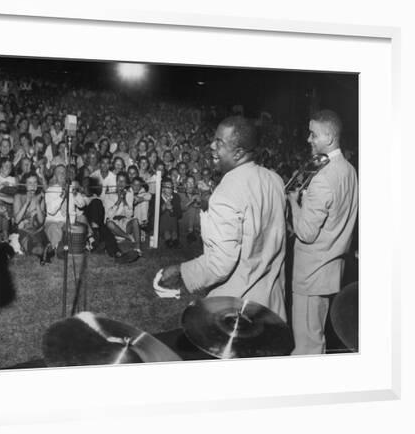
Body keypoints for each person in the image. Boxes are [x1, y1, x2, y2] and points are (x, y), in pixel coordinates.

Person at [158, 116, 288, 321]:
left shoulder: (226, 191)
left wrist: (181, 272)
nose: (211, 146)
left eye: (219, 142)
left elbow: (220, 264)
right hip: (271, 305)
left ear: (238, 153)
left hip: (236, 310)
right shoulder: (275, 180)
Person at [287, 110, 358, 355]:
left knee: (308, 347)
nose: (308, 139)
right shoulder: (349, 170)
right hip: (331, 270)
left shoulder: (323, 178)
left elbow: (306, 233)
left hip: (311, 274)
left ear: (328, 137)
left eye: (313, 134)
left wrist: (294, 202)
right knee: (317, 338)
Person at [105, 172, 142, 256]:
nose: (120, 184)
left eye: (123, 181)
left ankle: (137, 248)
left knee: (135, 221)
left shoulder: (129, 194)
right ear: (116, 181)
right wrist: (118, 201)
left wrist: (124, 200)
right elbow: (109, 215)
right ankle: (128, 237)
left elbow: (129, 214)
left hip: (125, 223)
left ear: (126, 183)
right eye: (119, 181)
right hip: (115, 227)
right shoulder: (109, 194)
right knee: (109, 223)